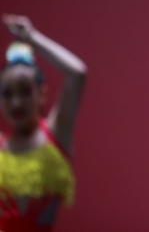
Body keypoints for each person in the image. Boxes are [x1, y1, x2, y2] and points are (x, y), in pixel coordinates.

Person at [0, 14, 87, 232]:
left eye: (24, 91)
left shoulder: (56, 134)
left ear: (41, 93)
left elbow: (77, 74)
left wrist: (32, 37)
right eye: (7, 94)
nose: (16, 102)